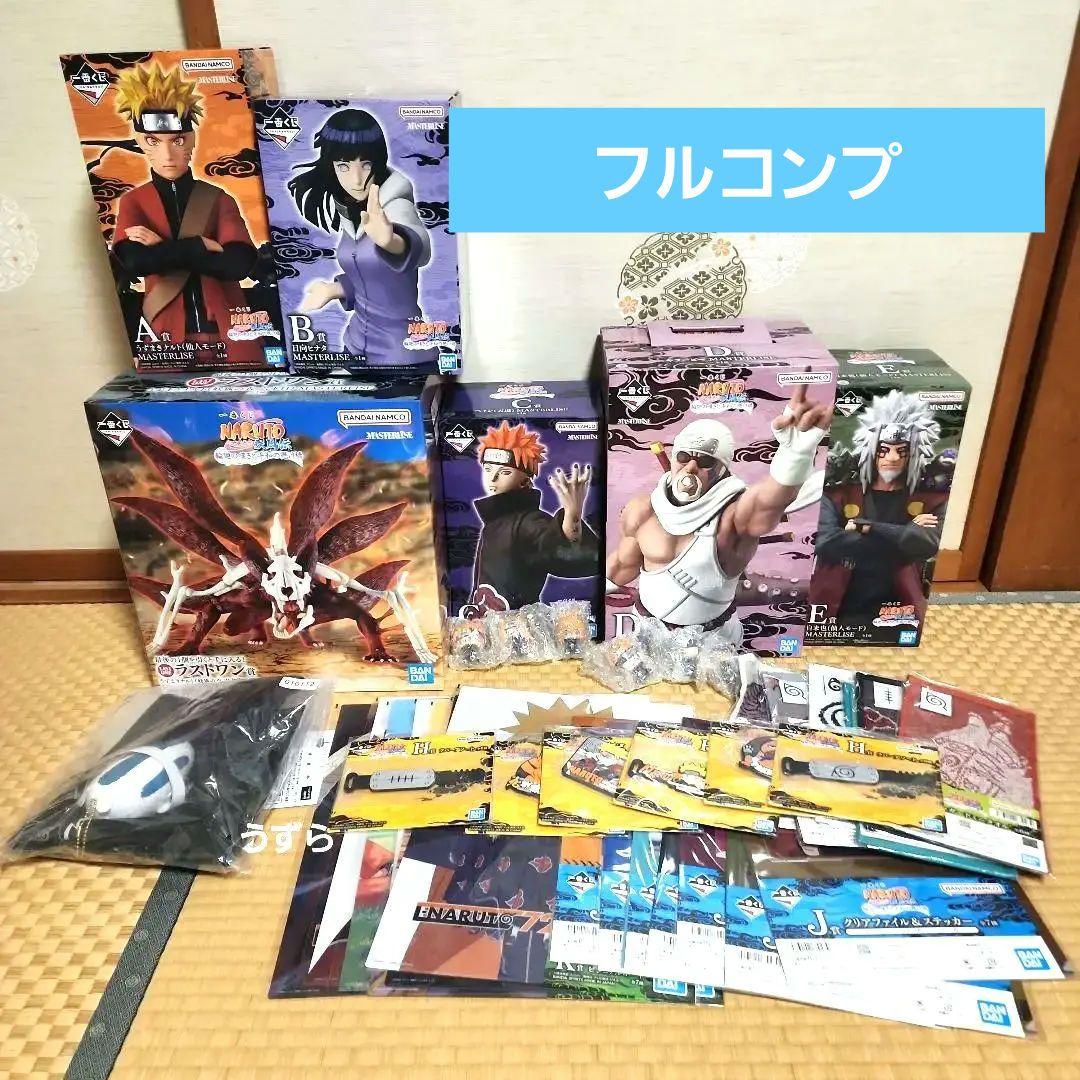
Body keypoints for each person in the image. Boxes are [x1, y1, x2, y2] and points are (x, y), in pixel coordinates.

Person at [606, 385, 831, 643]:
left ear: (722, 470)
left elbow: (770, 500)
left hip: (713, 642)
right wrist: (581, 595)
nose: (691, 468)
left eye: (705, 461)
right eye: (683, 457)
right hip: (649, 634)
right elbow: (621, 566)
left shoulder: (732, 518)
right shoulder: (642, 509)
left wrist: (795, 455)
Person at [110, 62, 262, 363]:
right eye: (153, 141)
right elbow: (135, 261)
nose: (167, 154)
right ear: (140, 142)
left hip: (229, 332)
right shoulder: (134, 201)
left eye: (178, 140)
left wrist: (162, 249)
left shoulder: (218, 198)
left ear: (192, 139)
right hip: (165, 335)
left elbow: (239, 263)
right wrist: (201, 246)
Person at [288, 108, 432, 367]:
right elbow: (372, 280)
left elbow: (419, 250)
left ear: (378, 161)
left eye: (366, 164)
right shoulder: (352, 213)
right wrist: (334, 289)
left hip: (401, 353)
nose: (356, 180)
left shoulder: (394, 206)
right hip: (355, 345)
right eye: (343, 166)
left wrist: (392, 242)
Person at [810, 390, 945, 621]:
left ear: (913, 454)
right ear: (871, 450)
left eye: (901, 451)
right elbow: (823, 542)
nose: (892, 458)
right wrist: (903, 535)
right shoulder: (838, 494)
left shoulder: (932, 499)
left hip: (901, 607)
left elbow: (926, 544)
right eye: (884, 450)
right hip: (838, 603)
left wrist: (866, 527)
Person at [464, 420, 597, 613]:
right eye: (488, 469)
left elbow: (559, 551)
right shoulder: (494, 521)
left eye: (505, 472)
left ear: (524, 481)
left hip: (517, 625)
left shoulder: (528, 522)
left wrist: (572, 516)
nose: (492, 478)